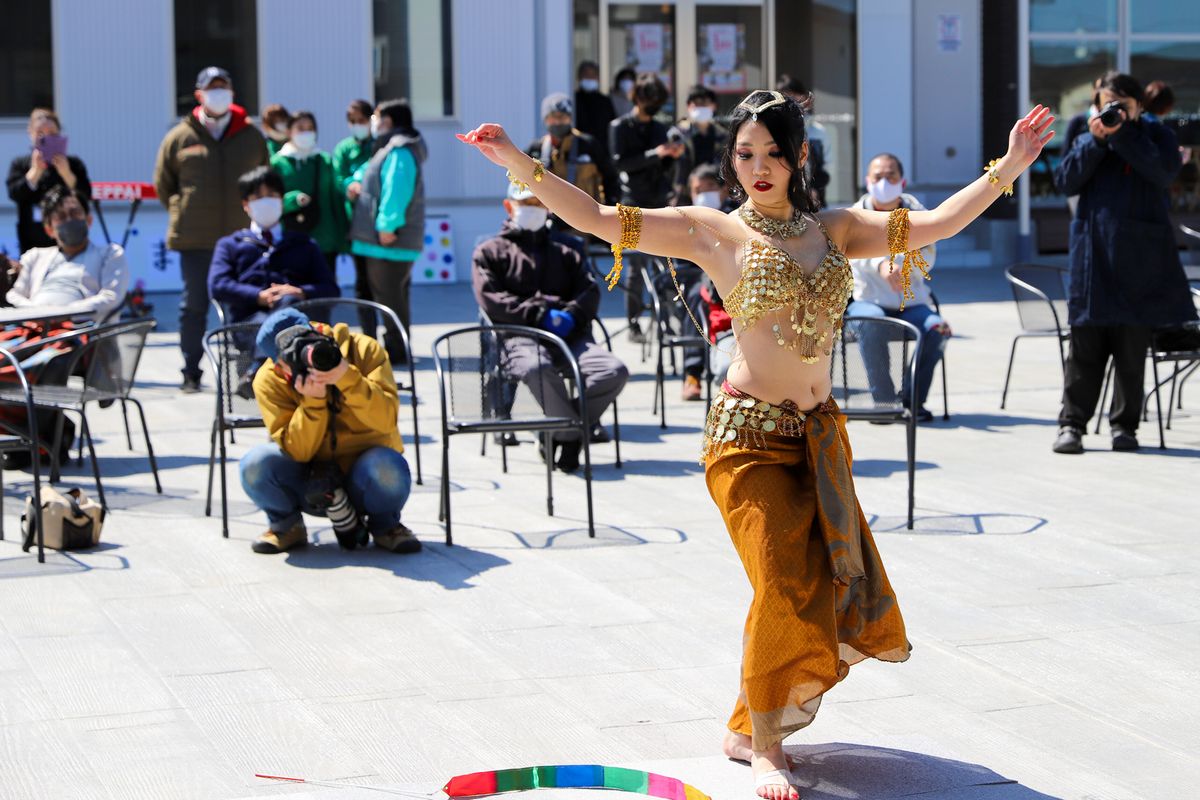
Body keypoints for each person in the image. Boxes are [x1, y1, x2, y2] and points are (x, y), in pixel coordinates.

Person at [460, 90, 1053, 799]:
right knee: (782, 581)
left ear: (799, 156)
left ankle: (746, 724)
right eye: (746, 154)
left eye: (774, 152)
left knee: (821, 586)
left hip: (818, 437)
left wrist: (1011, 163)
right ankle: (767, 747)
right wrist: (516, 162)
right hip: (746, 440)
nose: (759, 167)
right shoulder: (712, 231)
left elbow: (930, 225)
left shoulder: (835, 229)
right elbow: (592, 217)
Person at [1052, 71, 1196, 454]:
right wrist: (1096, 142)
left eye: (1121, 105)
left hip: (1140, 261)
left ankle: (1125, 428)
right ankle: (1072, 426)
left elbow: (1164, 173)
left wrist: (1126, 134)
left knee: (1131, 353)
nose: (1110, 111)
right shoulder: (1083, 131)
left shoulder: (1155, 133)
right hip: (1092, 259)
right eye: (1105, 104)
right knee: (1084, 350)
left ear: (1138, 106)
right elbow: (1064, 181)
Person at [472, 182, 628, 473]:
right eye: (527, 205)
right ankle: (570, 436)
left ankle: (556, 431)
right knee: (536, 368)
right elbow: (493, 301)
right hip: (520, 337)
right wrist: (539, 313)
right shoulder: (490, 251)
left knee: (612, 371)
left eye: (539, 204)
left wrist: (569, 315)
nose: (534, 210)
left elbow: (589, 291)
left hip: (570, 335)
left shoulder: (569, 248)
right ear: (509, 207)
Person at [239, 306, 419, 555]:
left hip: (367, 478)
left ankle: (385, 527)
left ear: (320, 332)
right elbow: (297, 451)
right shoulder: (269, 379)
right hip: (309, 482)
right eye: (293, 356)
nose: (307, 356)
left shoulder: (363, 349)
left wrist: (346, 377)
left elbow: (386, 421)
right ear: (278, 363)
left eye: (309, 343)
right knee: (255, 464)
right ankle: (286, 527)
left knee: (387, 465)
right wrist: (313, 403)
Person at [154, 66, 269, 393]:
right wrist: (183, 211)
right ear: (199, 93)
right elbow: (164, 185)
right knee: (194, 306)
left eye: (224, 86)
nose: (219, 92)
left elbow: (265, 178)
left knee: (243, 305)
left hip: (240, 238)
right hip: (196, 238)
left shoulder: (250, 135)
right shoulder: (180, 136)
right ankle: (191, 371)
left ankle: (245, 376)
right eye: (212, 87)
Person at [847, 154, 949, 421]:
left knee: (936, 329)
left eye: (890, 176)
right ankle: (884, 403)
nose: (883, 182)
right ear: (867, 181)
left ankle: (913, 400)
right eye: (877, 176)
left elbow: (928, 254)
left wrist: (903, 263)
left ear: (902, 181)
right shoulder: (855, 216)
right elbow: (850, 254)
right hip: (869, 302)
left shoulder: (919, 215)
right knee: (872, 324)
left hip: (912, 305)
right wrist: (881, 264)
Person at [207, 166, 340, 326]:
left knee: (290, 306)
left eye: (271, 195)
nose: (265, 201)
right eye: (258, 197)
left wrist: (301, 292)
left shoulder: (305, 244)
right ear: (245, 204)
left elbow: (330, 288)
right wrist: (258, 296)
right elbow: (218, 285)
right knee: (272, 328)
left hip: (301, 323)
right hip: (251, 325)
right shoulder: (230, 245)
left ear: (282, 201)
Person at [348, 99, 426, 364]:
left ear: (389, 121)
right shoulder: (389, 149)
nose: (373, 122)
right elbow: (369, 175)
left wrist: (386, 226)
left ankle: (397, 349)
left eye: (377, 116)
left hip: (387, 242)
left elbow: (396, 192)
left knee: (391, 298)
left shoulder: (400, 151)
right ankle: (392, 347)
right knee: (392, 296)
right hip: (379, 243)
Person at [609, 73, 685, 342]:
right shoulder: (620, 126)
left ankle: (667, 322)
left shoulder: (659, 128)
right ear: (638, 97)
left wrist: (671, 155)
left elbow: (663, 166)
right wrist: (657, 154)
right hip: (632, 203)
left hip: (658, 201)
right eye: (650, 100)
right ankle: (633, 325)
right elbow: (620, 163)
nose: (653, 106)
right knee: (635, 267)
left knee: (666, 263)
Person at [7, 187, 127, 321]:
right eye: (61, 216)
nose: (69, 220)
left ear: (89, 220)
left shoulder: (110, 254)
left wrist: (65, 313)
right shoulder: (34, 256)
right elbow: (15, 295)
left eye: (75, 213)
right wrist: (37, 313)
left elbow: (111, 297)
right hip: (35, 331)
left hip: (84, 333)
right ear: (49, 230)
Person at [270, 110, 349, 271]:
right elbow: (271, 200)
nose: (306, 132)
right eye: (300, 128)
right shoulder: (277, 163)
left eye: (310, 128)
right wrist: (293, 200)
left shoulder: (324, 160)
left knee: (325, 291)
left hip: (325, 243)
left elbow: (336, 202)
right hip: (290, 239)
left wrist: (342, 240)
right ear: (289, 131)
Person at [7, 109, 92, 254]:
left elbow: (86, 195)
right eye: (40, 133)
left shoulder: (74, 164)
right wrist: (35, 172)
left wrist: (66, 173)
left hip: (69, 241)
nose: (46, 138)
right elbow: (14, 193)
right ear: (30, 133)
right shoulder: (20, 164)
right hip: (32, 243)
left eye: (52, 133)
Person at [332, 99, 378, 333]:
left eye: (362, 120)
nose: (358, 125)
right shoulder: (344, 148)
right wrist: (349, 185)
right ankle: (369, 335)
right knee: (363, 284)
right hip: (354, 225)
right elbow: (338, 177)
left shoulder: (379, 145)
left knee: (380, 283)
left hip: (379, 225)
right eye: (353, 122)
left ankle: (393, 337)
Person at [526, 93, 611, 208]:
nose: (557, 122)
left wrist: (610, 207)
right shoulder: (536, 149)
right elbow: (520, 182)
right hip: (548, 218)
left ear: (570, 118)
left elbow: (610, 177)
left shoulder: (588, 144)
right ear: (545, 119)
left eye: (562, 117)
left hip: (585, 216)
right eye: (552, 117)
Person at [671, 85, 730, 205]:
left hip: (715, 192)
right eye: (696, 103)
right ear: (689, 106)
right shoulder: (677, 135)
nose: (701, 107)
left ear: (713, 106)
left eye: (705, 103)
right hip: (685, 194)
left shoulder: (723, 135)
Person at [777, 76, 829, 208]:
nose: (792, 102)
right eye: (786, 97)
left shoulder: (818, 131)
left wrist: (815, 188)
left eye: (795, 96)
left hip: (813, 194)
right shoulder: (775, 129)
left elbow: (827, 164)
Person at [573, 61, 617, 154]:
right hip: (579, 151)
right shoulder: (574, 100)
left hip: (602, 151)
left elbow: (611, 126)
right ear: (579, 77)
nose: (590, 78)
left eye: (593, 75)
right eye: (586, 75)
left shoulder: (605, 101)